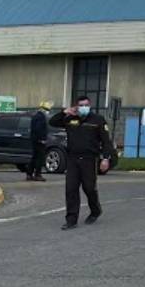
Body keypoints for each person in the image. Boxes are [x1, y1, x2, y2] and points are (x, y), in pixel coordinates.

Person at [49, 96, 115, 230]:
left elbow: (106, 142)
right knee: (71, 189)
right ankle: (71, 220)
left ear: (90, 105)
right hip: (73, 159)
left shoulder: (98, 120)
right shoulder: (70, 119)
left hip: (89, 159)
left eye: (86, 105)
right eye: (81, 105)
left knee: (89, 188)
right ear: (77, 106)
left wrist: (106, 158)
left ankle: (95, 210)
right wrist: (65, 112)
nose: (84, 107)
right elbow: (53, 122)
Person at [28, 101, 51, 182]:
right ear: (43, 109)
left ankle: (29, 174)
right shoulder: (40, 117)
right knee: (39, 158)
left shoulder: (35, 116)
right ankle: (37, 174)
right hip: (39, 141)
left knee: (34, 157)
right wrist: (42, 139)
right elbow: (38, 129)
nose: (48, 111)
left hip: (35, 140)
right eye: (47, 109)